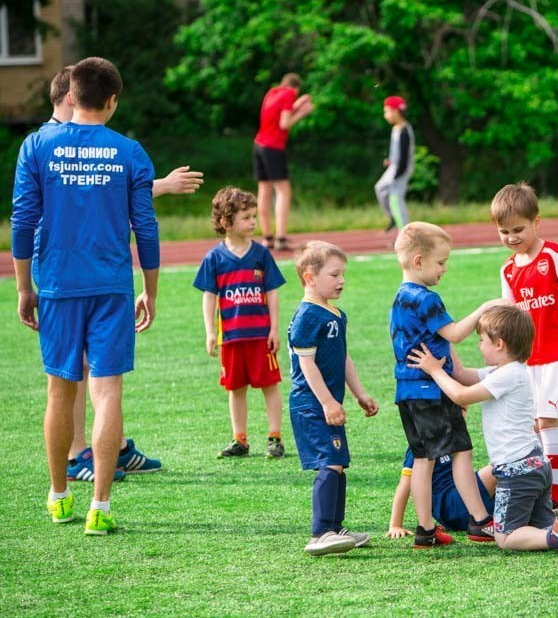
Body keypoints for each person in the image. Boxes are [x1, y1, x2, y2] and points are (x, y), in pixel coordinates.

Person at [11, 56, 160, 535]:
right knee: (107, 390)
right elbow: (147, 229)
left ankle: (59, 496)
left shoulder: (36, 145)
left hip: (56, 284)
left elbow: (22, 223)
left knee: (60, 390)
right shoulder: (130, 152)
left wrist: (23, 288)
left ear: (71, 96)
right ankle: (101, 505)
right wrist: (149, 291)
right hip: (112, 287)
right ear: (113, 100)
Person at [41, 66, 203, 482]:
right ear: (70, 99)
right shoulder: (50, 143)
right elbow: (114, 205)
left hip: (69, 276)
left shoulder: (48, 144)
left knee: (92, 375)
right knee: (79, 377)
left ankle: (102, 454)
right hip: (82, 274)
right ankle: (80, 454)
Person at [408, 305, 558, 553]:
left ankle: (557, 539)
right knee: (543, 522)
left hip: (516, 472)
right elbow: (459, 373)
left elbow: (461, 395)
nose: (479, 346)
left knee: (506, 537)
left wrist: (434, 370)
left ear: (499, 344)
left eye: (481, 340)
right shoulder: (508, 371)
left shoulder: (505, 377)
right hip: (537, 467)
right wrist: (444, 340)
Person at [390, 221, 506, 548]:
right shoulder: (426, 299)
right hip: (431, 391)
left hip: (409, 391)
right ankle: (480, 521)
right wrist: (486, 308)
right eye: (440, 262)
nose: (444, 269)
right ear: (418, 261)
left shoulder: (399, 299)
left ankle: (427, 529)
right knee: (457, 454)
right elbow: (454, 334)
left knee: (429, 457)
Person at [490, 183, 558, 513]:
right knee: (535, 424)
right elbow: (511, 317)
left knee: (547, 421)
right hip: (528, 360)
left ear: (536, 222)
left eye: (519, 229)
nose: (512, 237)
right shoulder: (507, 269)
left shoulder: (554, 255)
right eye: (504, 231)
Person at [287, 241, 379, 555]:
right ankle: (320, 532)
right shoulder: (307, 316)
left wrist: (359, 393)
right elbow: (306, 363)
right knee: (330, 462)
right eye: (334, 274)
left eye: (342, 274)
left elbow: (343, 359)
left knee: (339, 462)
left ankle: (336, 528)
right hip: (311, 403)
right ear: (310, 278)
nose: (341, 280)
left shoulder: (336, 313)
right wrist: (327, 402)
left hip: (329, 402)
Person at [193, 187, 287, 459]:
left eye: (254, 216)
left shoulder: (261, 254)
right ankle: (240, 439)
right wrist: (210, 332)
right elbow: (209, 297)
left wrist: (274, 328)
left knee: (270, 385)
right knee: (235, 388)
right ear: (226, 222)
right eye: (246, 217)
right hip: (231, 337)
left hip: (260, 336)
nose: (253, 222)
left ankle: (275, 437)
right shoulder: (214, 258)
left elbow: (272, 292)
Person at [252, 73, 313, 251]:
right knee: (283, 191)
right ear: (295, 88)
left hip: (259, 145)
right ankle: (281, 237)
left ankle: (267, 237)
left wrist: (297, 104)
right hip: (273, 147)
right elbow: (284, 123)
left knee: (264, 190)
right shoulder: (288, 94)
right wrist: (302, 112)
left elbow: (279, 113)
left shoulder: (272, 92)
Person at [386, 449, 497, 538]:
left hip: (465, 507)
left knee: (506, 471)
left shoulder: (446, 439)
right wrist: (395, 525)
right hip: (451, 507)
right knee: (500, 466)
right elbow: (404, 485)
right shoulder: (419, 446)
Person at [374, 95, 415, 232]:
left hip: (400, 170)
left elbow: (404, 156)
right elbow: (396, 151)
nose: (386, 115)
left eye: (387, 111)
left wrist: (398, 174)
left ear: (396, 111)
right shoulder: (396, 129)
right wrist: (390, 161)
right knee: (380, 189)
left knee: (397, 201)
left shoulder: (405, 131)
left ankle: (406, 233)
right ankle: (392, 217)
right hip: (393, 168)